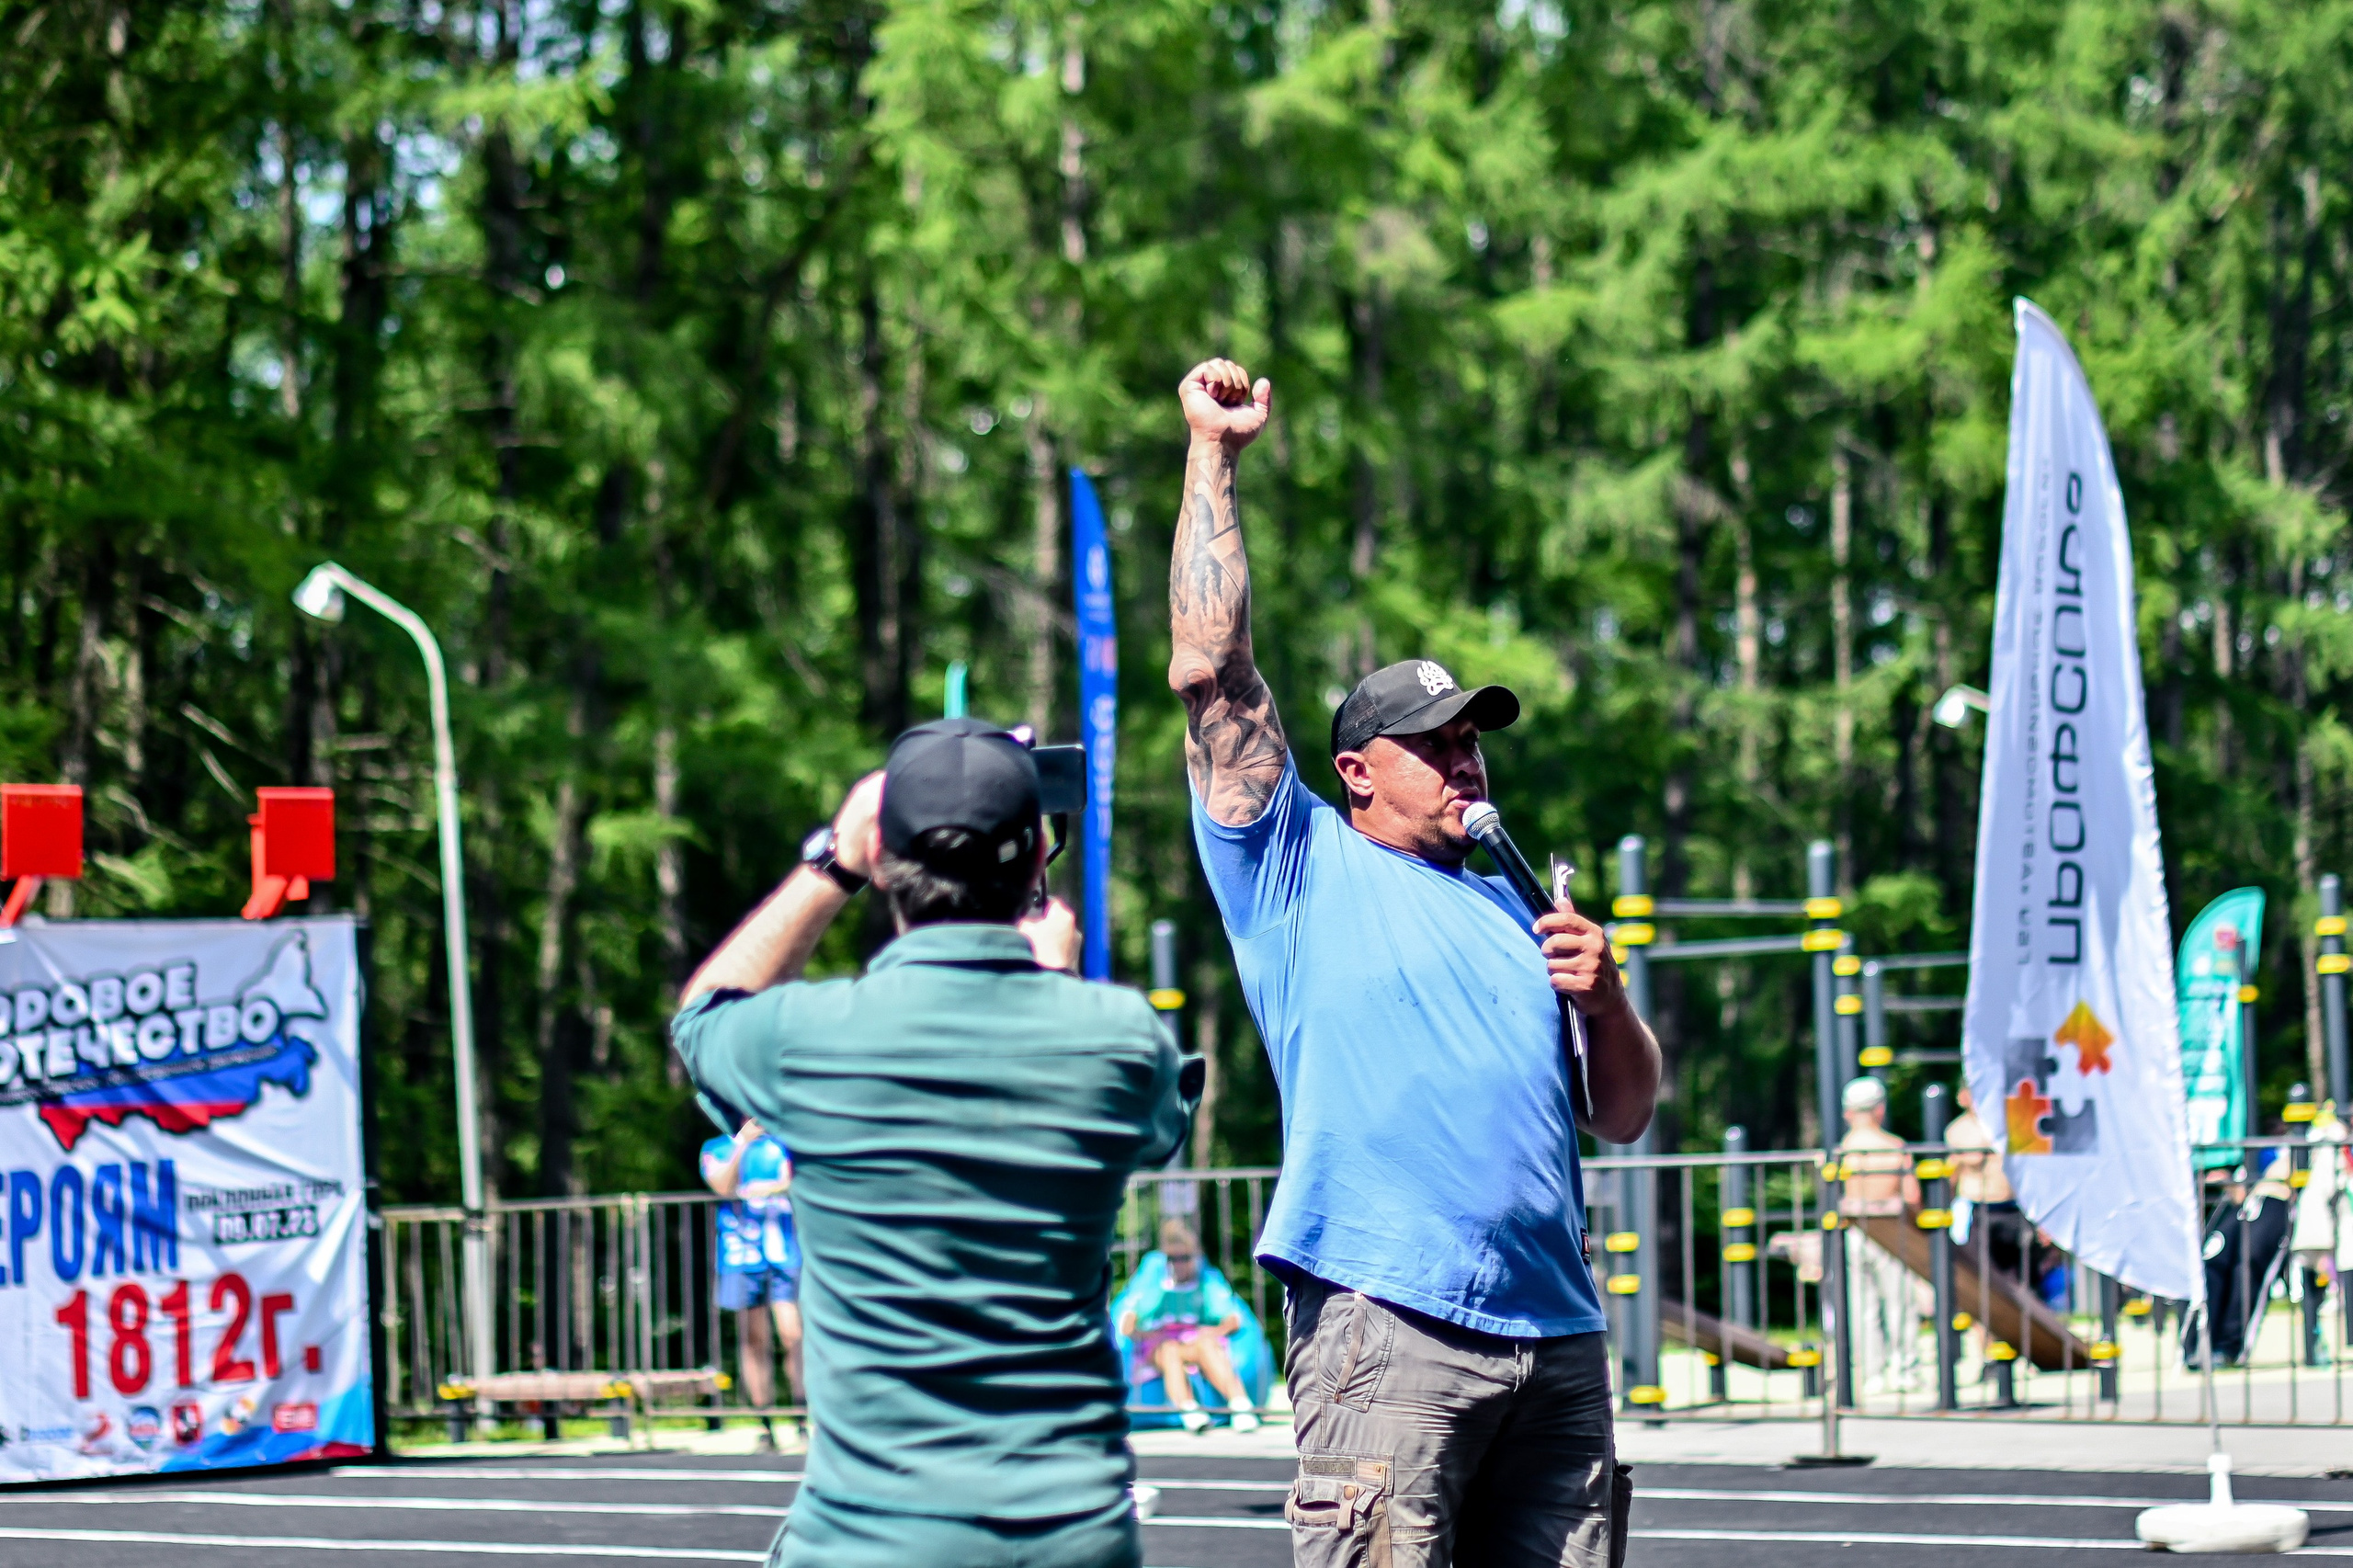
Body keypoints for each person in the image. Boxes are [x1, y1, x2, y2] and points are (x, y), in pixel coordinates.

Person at [1168, 357, 1660, 1566]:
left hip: (1557, 1334)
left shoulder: (1519, 905)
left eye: (1474, 741)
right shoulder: (1299, 865)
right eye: (1433, 746)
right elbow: (1209, 670)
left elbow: (1627, 1113)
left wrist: (1607, 1000)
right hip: (1388, 1326)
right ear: (1355, 770)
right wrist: (1214, 455)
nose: (1465, 761)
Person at [671, 718, 1197, 1568]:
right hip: (1067, 1537)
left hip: (869, 1539)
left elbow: (702, 1017)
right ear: (1037, 861)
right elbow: (1159, 1128)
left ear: (882, 856)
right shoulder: (1119, 1036)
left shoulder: (806, 1038)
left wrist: (829, 866)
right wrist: (1055, 983)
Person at [701, 1118, 802, 1450]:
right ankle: (765, 1420)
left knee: (792, 1334)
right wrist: (741, 1143)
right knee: (753, 1339)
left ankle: (801, 1414)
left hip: (784, 1253)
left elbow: (793, 1180)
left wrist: (764, 1188)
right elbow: (721, 1185)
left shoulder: (783, 1143)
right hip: (741, 1256)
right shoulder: (717, 1147)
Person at [1117, 1218, 1258, 1435]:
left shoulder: (1206, 1281)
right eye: (1172, 1259)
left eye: (1185, 1258)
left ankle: (1240, 1405)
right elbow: (1127, 1326)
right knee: (1170, 1350)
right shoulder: (1153, 1281)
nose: (1179, 1264)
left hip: (1193, 1340)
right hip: (1159, 1345)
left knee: (1206, 1345)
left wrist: (1213, 1331)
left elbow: (1233, 1318)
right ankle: (1189, 1409)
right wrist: (1148, 1334)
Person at [1835, 1077, 1925, 1393]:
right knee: (1900, 1304)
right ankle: (1905, 1369)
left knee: (1862, 1307)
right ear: (1880, 1109)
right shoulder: (1893, 1147)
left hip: (1853, 1231)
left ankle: (1871, 1374)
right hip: (1890, 1230)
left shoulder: (1840, 1151)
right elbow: (1912, 1196)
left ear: (1848, 1112)